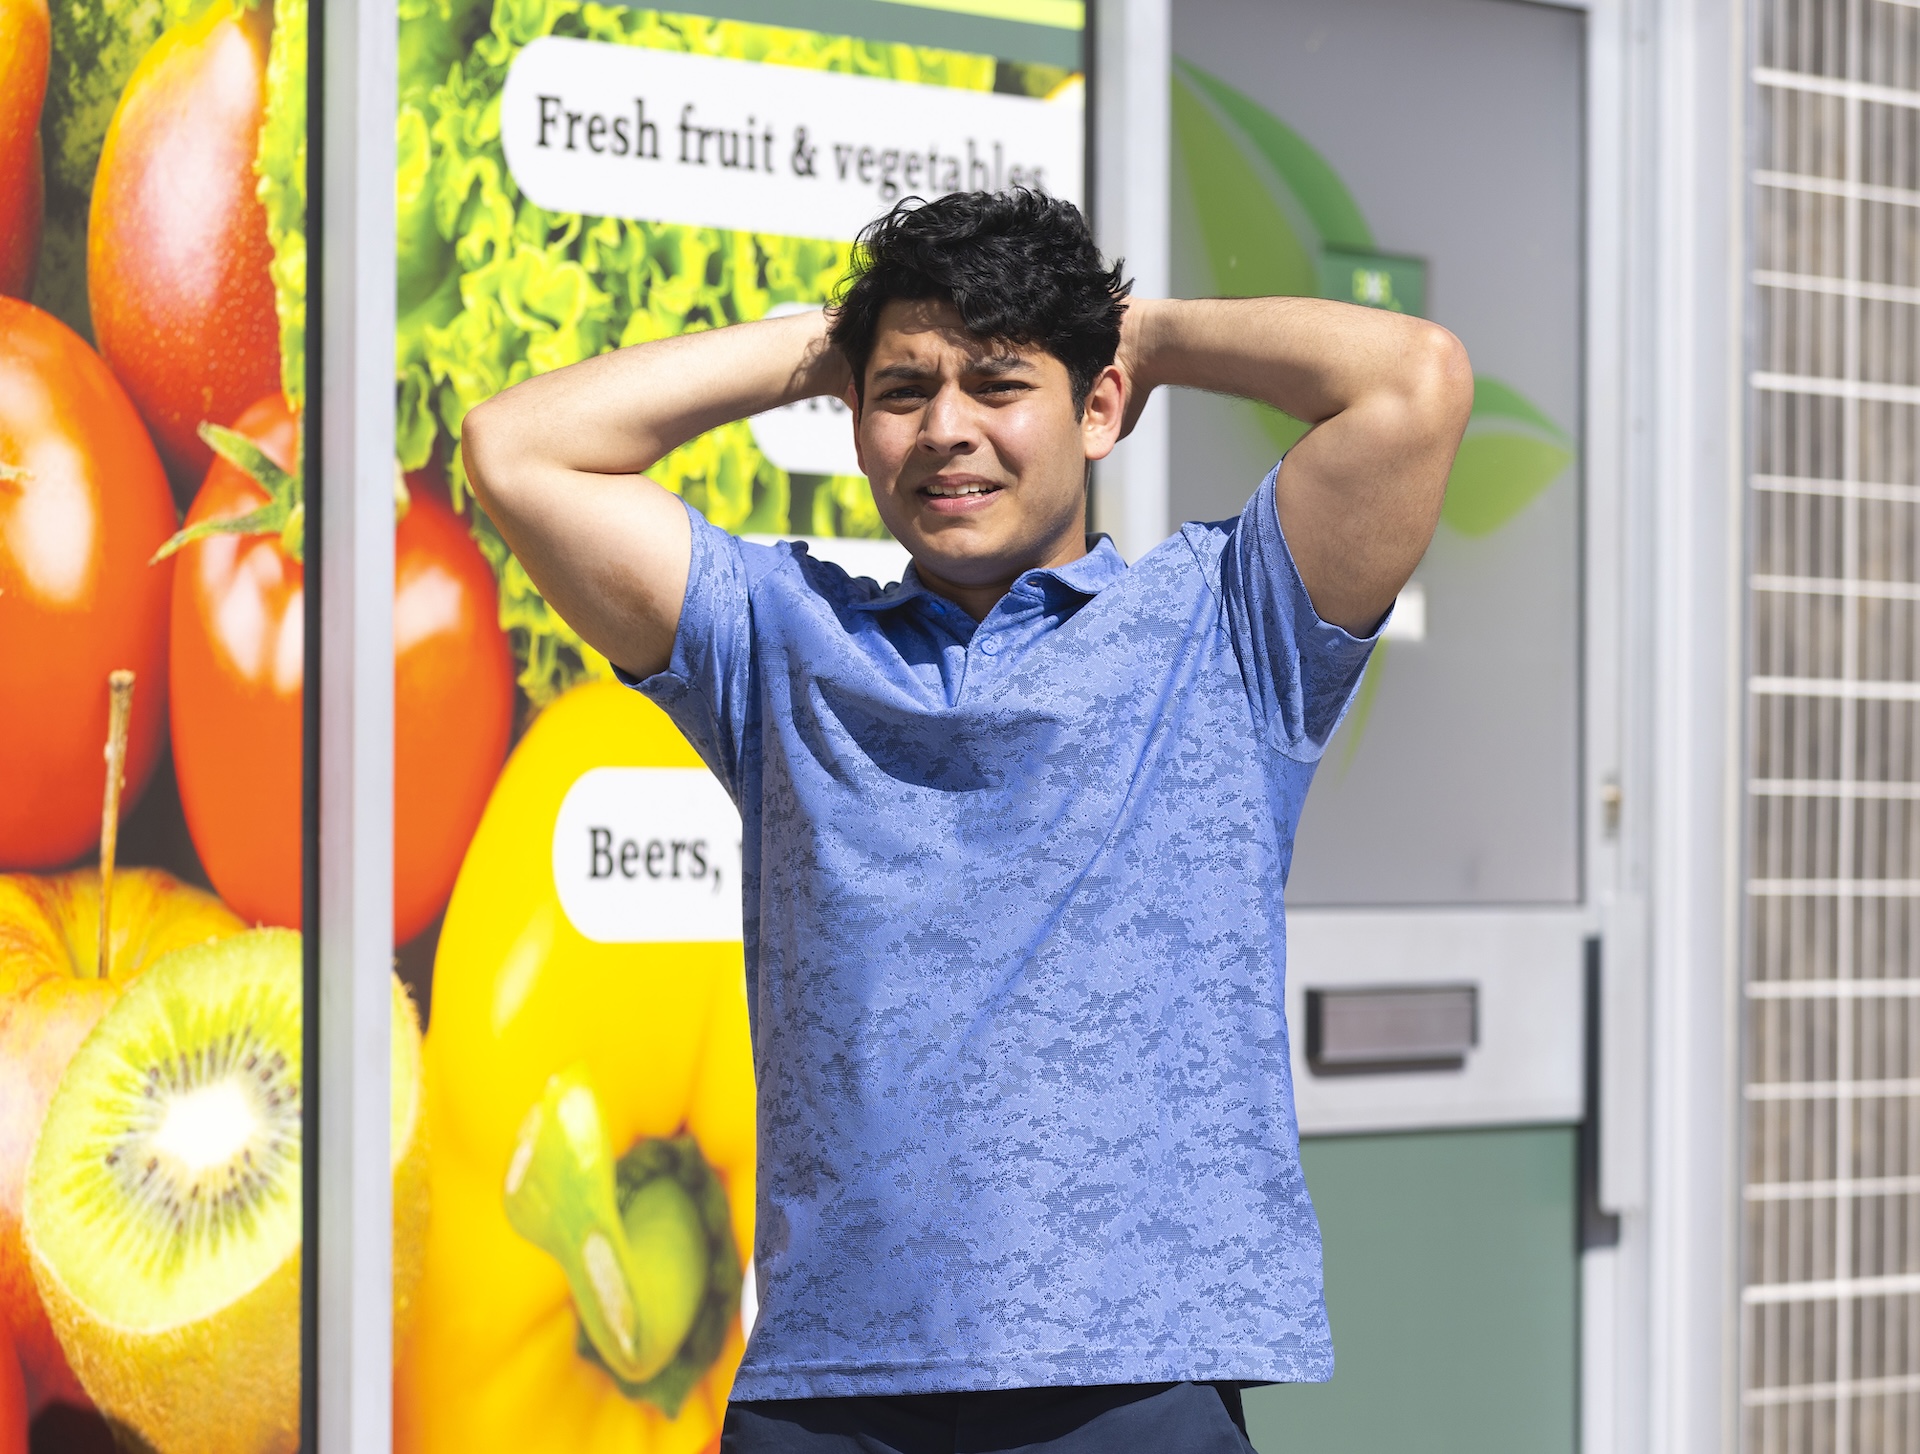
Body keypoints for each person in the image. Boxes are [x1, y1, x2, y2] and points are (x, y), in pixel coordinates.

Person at [461, 188, 1471, 1454]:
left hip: (1131, 1389)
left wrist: (1138, 331)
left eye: (1001, 383)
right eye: (904, 393)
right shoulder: (784, 640)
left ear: (1098, 408)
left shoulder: (1224, 626)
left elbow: (1413, 385)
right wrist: (826, 347)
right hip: (830, 1393)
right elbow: (515, 448)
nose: (949, 430)